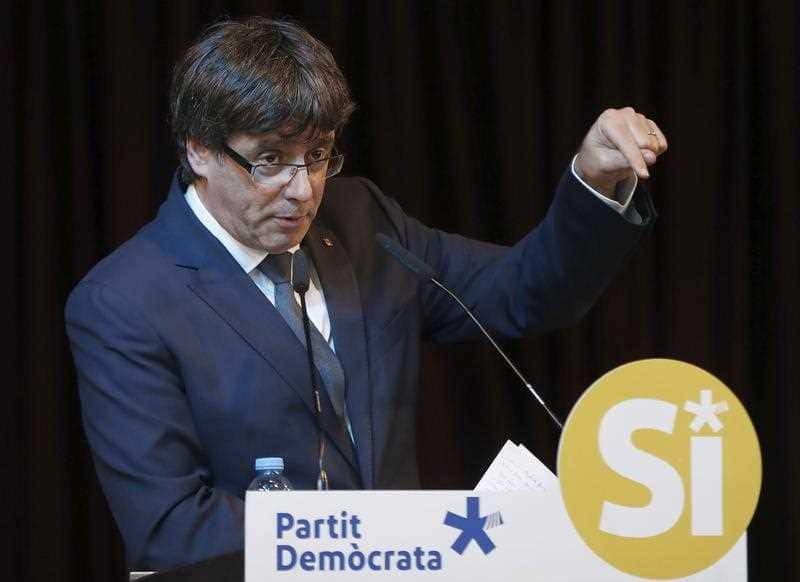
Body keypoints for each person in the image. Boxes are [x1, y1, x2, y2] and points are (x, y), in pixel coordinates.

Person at [65, 16, 666, 571]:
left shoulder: (361, 221)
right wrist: (381, 540)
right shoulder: (124, 302)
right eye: (270, 161)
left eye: (318, 156)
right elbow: (173, 530)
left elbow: (527, 292)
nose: (302, 191)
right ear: (198, 147)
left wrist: (593, 181)